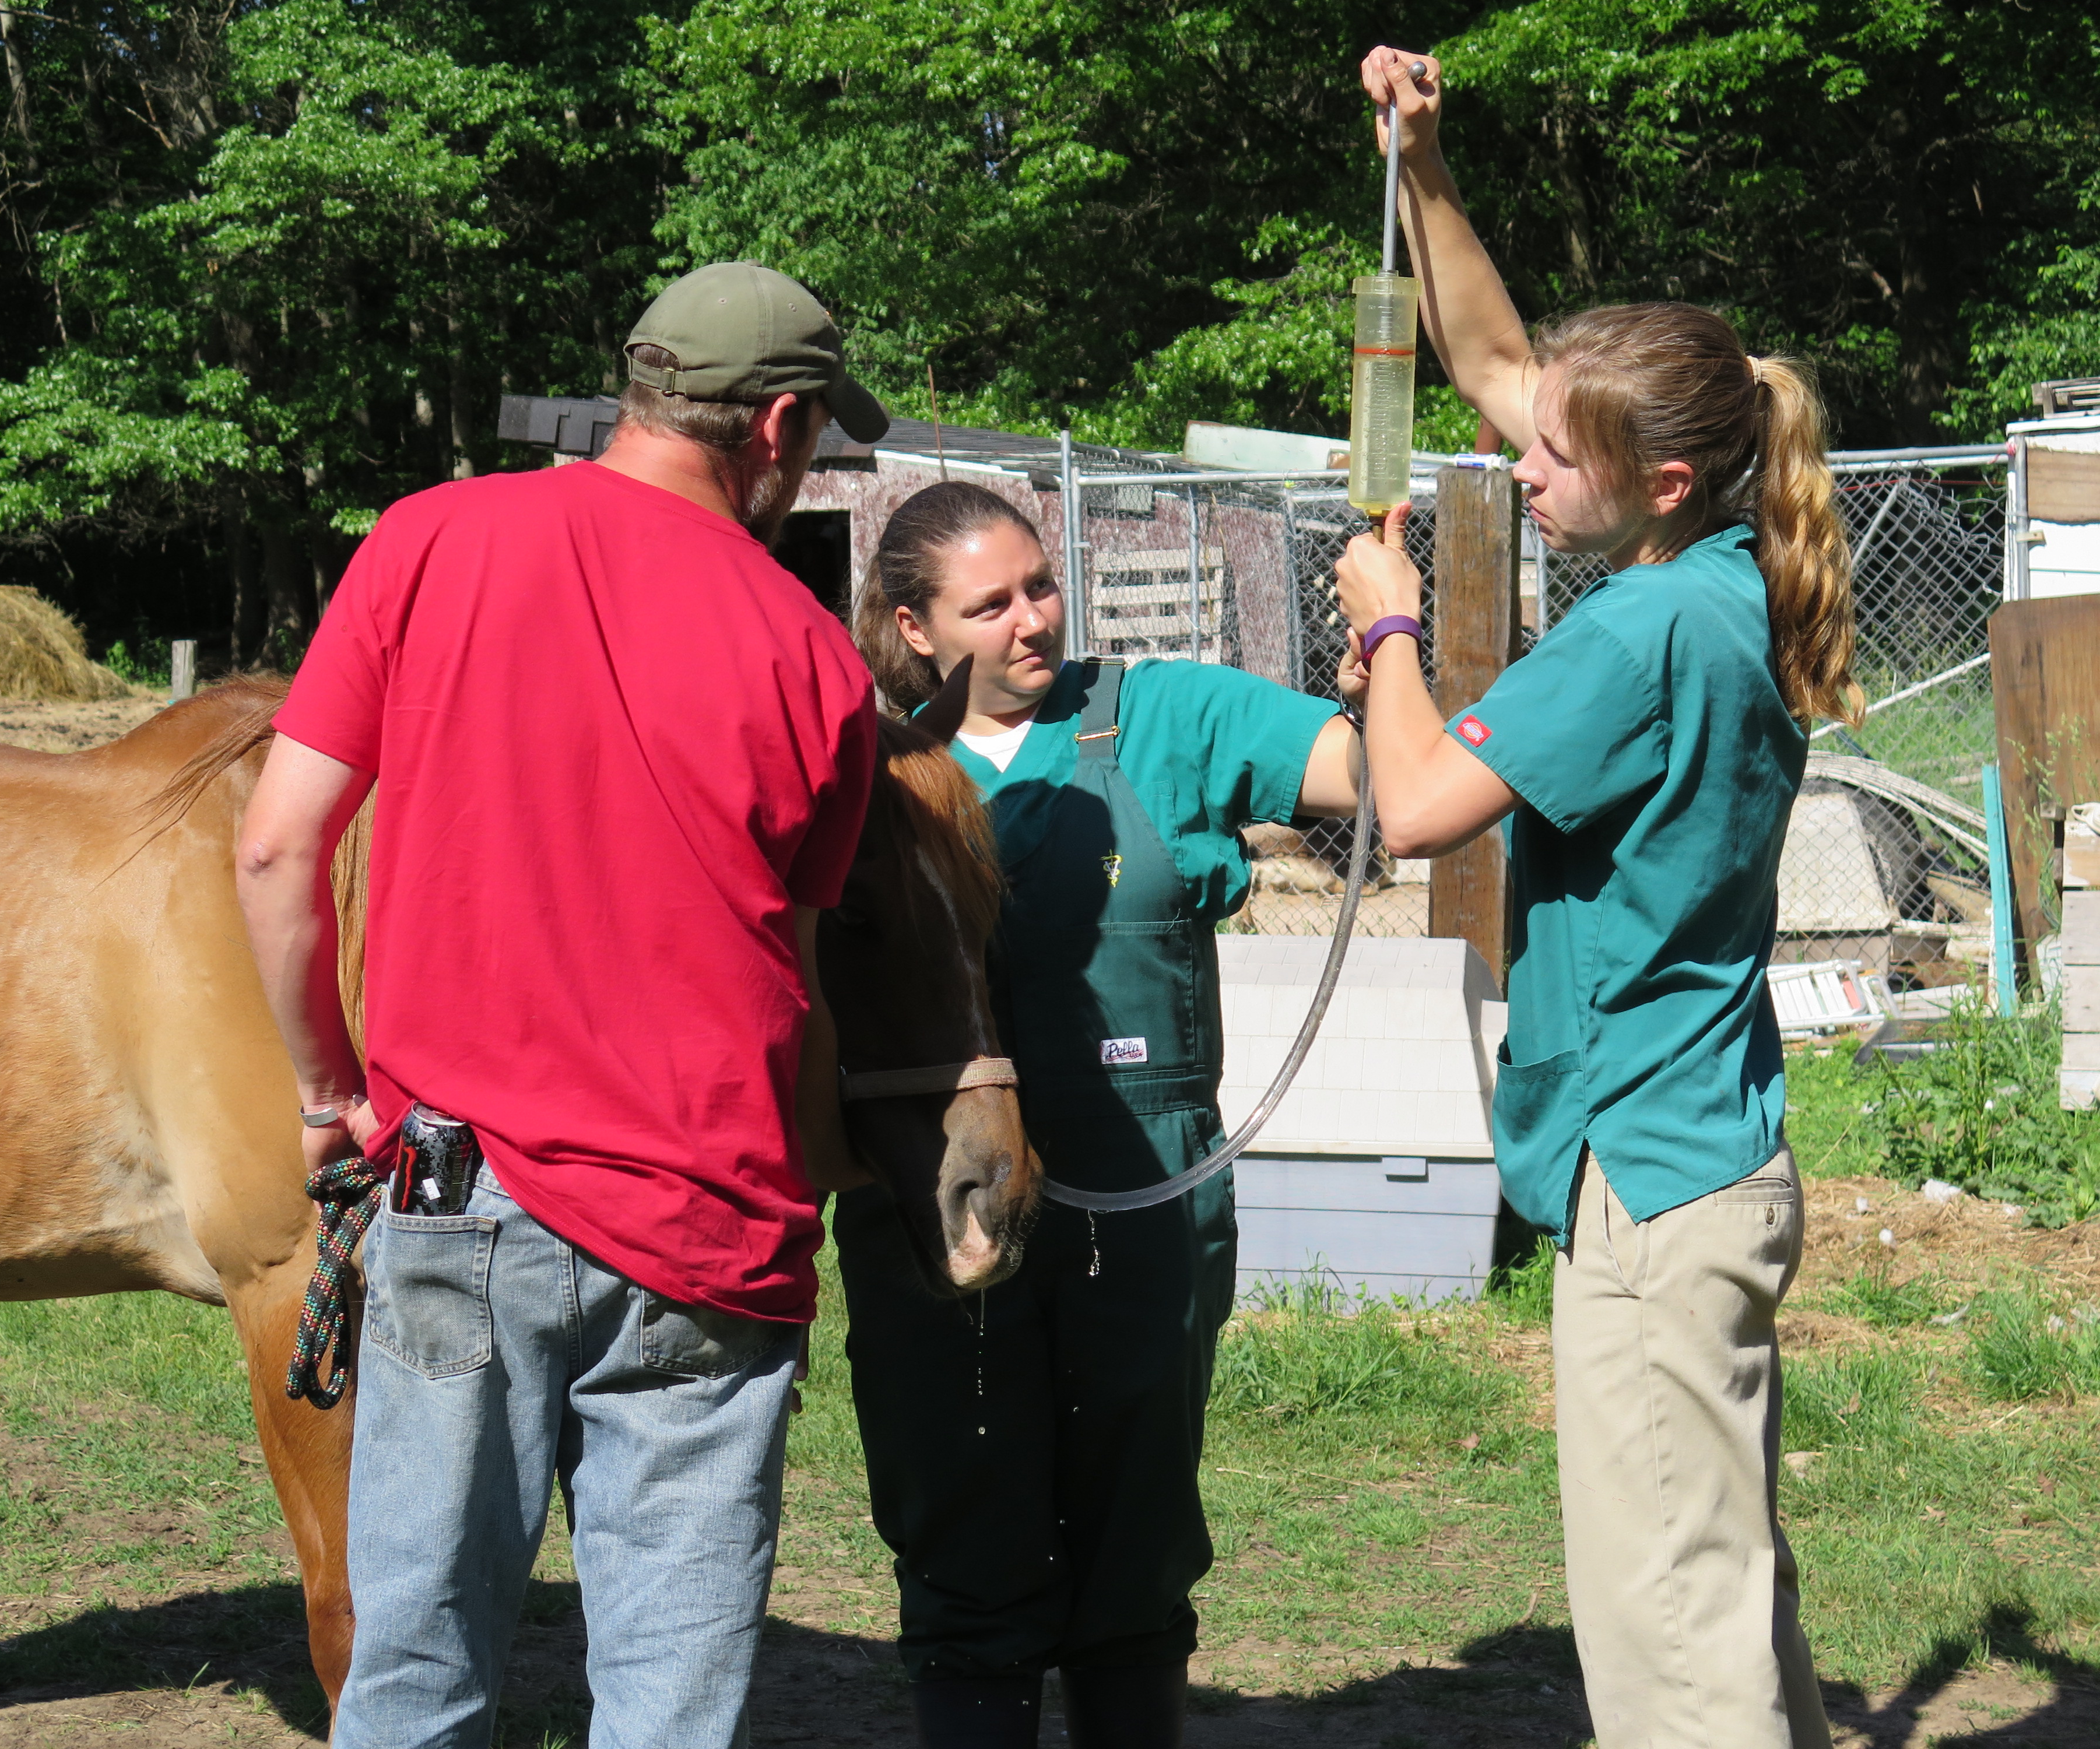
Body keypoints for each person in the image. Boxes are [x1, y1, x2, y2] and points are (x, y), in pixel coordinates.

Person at [234, 261, 887, 1749]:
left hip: (461, 1195)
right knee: (668, 1706)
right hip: (708, 1235)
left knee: (415, 1672)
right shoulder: (814, 659)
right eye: (813, 437)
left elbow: (274, 849)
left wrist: (326, 1092)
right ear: (775, 426)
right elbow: (790, 978)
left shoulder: (429, 538)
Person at [1331, 47, 1858, 1749]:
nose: (1519, 464)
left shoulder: (1635, 634)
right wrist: (1421, 163)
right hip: (1708, 1150)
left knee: (1673, 1648)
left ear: (1661, 479)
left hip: (1647, 1177)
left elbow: (1420, 808)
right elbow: (1492, 361)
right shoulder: (1725, 577)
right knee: (1721, 1594)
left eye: (1551, 456)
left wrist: (1390, 624)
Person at [835, 480, 1362, 1748]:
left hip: (1143, 1202)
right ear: (913, 628)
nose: (1032, 620)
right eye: (990, 605)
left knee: (1135, 1543)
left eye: (1041, 586)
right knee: (962, 1531)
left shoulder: (1165, 715)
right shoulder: (863, 766)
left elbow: (1384, 772)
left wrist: (1384, 658)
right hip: (934, 1198)